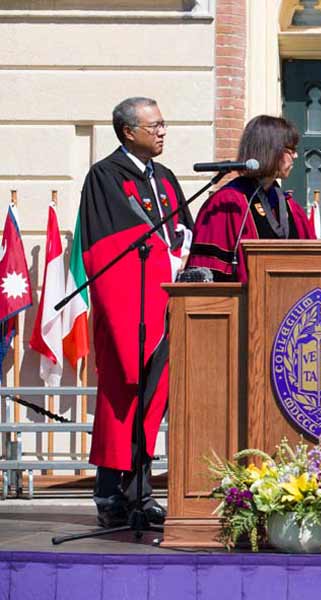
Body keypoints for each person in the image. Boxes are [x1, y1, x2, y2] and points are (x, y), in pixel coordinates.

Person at [77, 97, 194, 527]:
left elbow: (184, 232)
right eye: (155, 125)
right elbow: (109, 248)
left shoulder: (164, 178)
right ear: (128, 131)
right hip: (129, 307)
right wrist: (168, 256)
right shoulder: (105, 177)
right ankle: (110, 495)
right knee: (122, 397)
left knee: (152, 399)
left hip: (165, 307)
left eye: (164, 124)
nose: (163, 132)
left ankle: (140, 492)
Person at [187, 115, 316, 282]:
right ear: (270, 150)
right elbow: (208, 277)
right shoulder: (227, 205)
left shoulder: (290, 207)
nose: (296, 156)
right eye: (290, 150)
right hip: (245, 305)